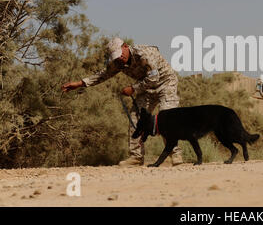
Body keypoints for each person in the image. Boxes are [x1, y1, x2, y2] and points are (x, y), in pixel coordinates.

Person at [62, 37, 183, 167]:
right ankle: (136, 157)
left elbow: (154, 77)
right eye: (116, 57)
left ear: (125, 46)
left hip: (166, 83)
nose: (119, 58)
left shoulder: (143, 54)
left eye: (120, 55)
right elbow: (103, 74)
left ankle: (175, 153)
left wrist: (133, 89)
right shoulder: (119, 62)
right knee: (135, 117)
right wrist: (80, 84)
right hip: (147, 88)